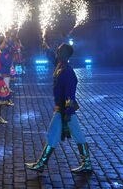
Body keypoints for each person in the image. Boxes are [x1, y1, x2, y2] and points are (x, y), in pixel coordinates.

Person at [25, 41, 92, 173]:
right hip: (61, 109)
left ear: (64, 54)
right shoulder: (60, 65)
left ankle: (42, 163)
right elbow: (52, 57)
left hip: (64, 110)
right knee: (65, 135)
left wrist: (67, 112)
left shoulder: (67, 72)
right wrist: (46, 47)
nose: (57, 51)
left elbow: (69, 94)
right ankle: (86, 163)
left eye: (59, 50)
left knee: (56, 135)